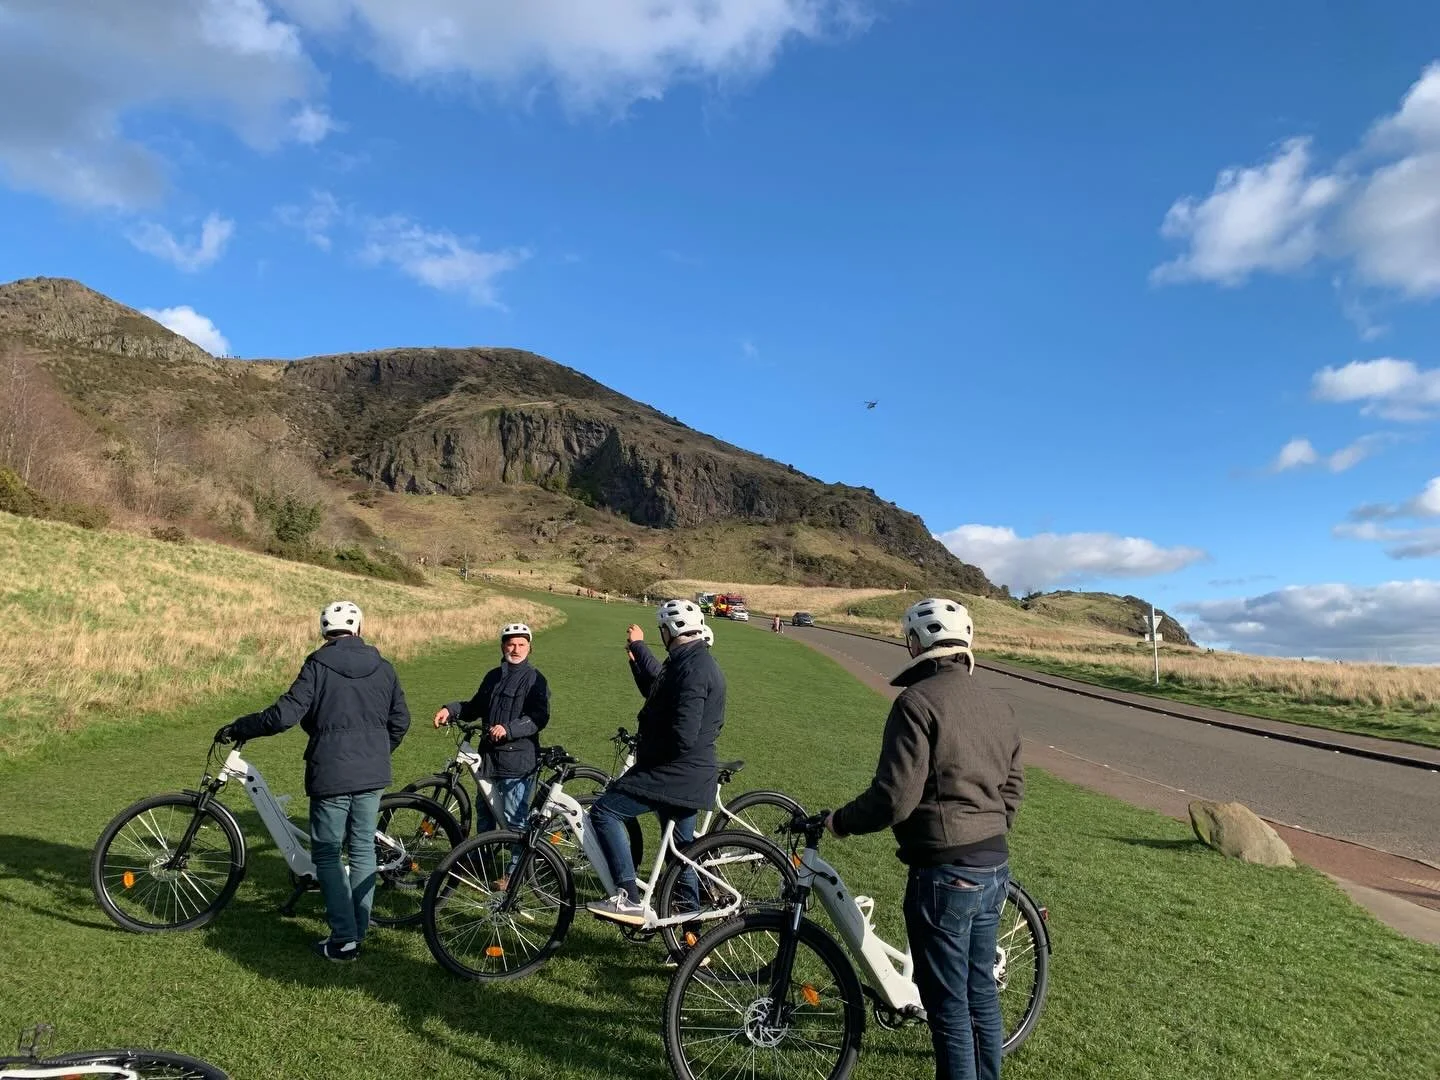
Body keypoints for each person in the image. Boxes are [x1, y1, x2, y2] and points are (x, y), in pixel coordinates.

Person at [825, 598, 1024, 1080]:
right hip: (994, 866)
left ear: (916, 643)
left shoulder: (916, 702)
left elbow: (894, 798)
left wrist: (840, 821)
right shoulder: (999, 704)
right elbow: (1013, 787)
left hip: (945, 872)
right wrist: (988, 826)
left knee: (949, 1008)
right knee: (980, 995)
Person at [215, 601, 410, 962]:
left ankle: (345, 938)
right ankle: (357, 931)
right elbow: (401, 721)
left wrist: (241, 726)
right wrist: (377, 753)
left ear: (324, 631)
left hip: (331, 771)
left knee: (327, 853)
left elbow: (284, 715)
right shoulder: (384, 667)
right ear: (359, 628)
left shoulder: (318, 664)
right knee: (362, 848)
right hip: (373, 773)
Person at [586, 599, 724, 930]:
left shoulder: (692, 669)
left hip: (674, 774)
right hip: (688, 776)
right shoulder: (689, 662)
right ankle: (692, 938)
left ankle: (628, 897)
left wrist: (647, 757)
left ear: (670, 630)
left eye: (662, 629)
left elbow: (683, 735)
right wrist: (637, 662)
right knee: (681, 856)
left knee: (604, 812)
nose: (660, 635)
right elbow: (657, 693)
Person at [433, 622, 550, 876]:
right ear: (502, 647)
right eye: (511, 644)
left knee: (514, 819)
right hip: (488, 759)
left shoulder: (535, 679)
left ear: (529, 647)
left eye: (521, 644)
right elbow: (475, 706)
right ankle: (480, 863)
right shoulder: (493, 676)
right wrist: (450, 710)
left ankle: (514, 874)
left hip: (517, 761)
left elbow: (539, 717)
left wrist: (509, 729)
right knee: (485, 814)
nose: (516, 649)